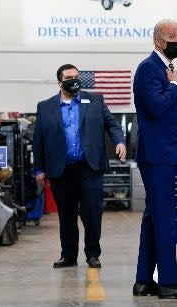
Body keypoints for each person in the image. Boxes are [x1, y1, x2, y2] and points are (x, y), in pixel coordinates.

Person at [132, 19, 177, 299]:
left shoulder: (168, 69)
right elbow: (155, 107)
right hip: (158, 154)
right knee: (165, 219)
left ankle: (143, 280)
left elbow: (170, 110)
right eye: (173, 36)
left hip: (166, 152)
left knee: (153, 217)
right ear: (158, 40)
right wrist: (175, 89)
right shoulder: (149, 68)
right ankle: (168, 283)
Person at [33, 64, 126, 270]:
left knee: (92, 214)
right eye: (69, 77)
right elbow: (38, 139)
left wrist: (119, 142)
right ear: (60, 82)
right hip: (61, 170)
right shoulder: (45, 106)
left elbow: (112, 124)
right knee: (66, 217)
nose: (74, 80)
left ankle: (93, 254)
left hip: (89, 168)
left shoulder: (95, 100)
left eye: (76, 76)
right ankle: (68, 256)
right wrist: (39, 169)